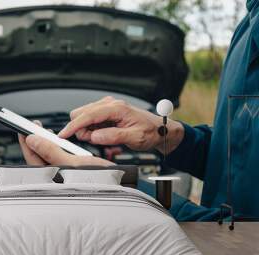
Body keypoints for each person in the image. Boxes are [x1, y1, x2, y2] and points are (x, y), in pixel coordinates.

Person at [19, 0, 259, 221]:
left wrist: (117, 188)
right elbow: (242, 161)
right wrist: (169, 136)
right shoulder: (248, 23)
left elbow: (247, 241)